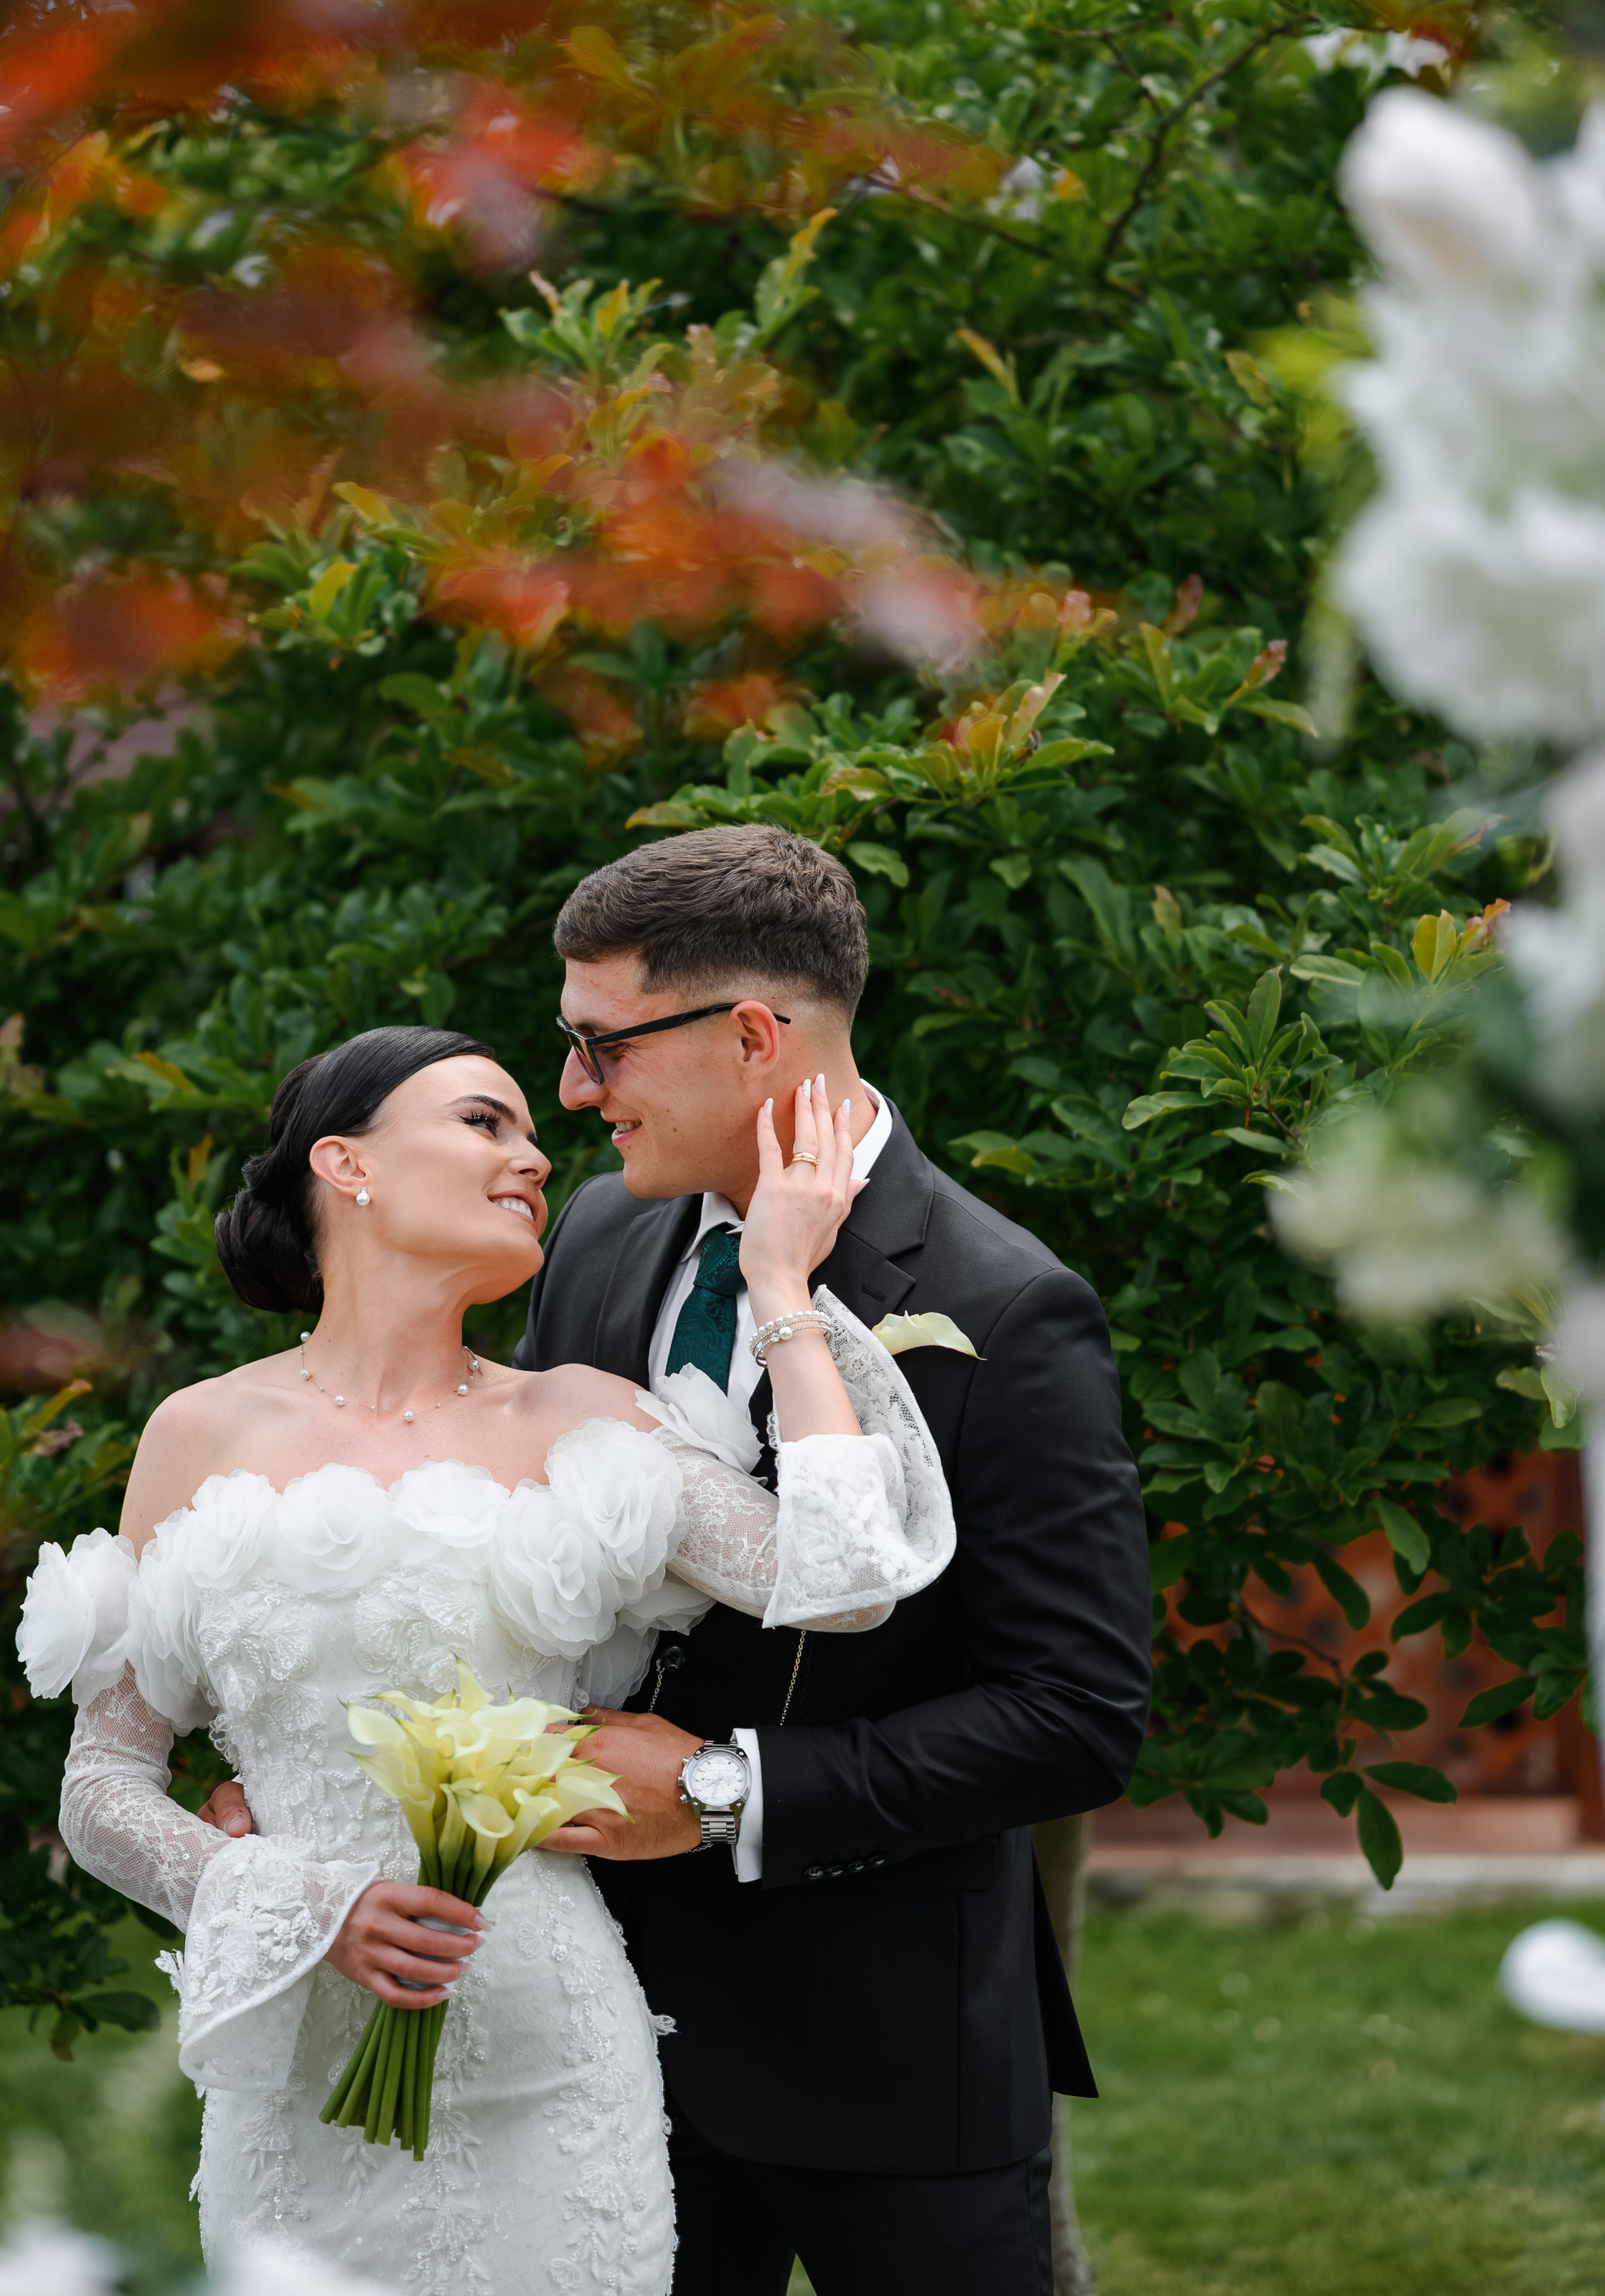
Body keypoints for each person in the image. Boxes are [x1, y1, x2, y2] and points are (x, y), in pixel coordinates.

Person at [16, 1022, 953, 2294]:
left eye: (529, 1130)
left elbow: (842, 1585)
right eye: (484, 1122)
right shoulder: (200, 1431)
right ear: (345, 1164)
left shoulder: (586, 1418)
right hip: (302, 2081)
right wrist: (310, 1907)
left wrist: (783, 1288)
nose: (532, 1158)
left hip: (548, 2067)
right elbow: (102, 1788)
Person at [515, 824, 1152, 2295]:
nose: (570, 1090)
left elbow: (1073, 1711)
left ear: (749, 1035)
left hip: (886, 2061)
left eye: (599, 1047)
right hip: (603, 2037)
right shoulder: (597, 1238)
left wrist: (718, 1790)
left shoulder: (1005, 1304)